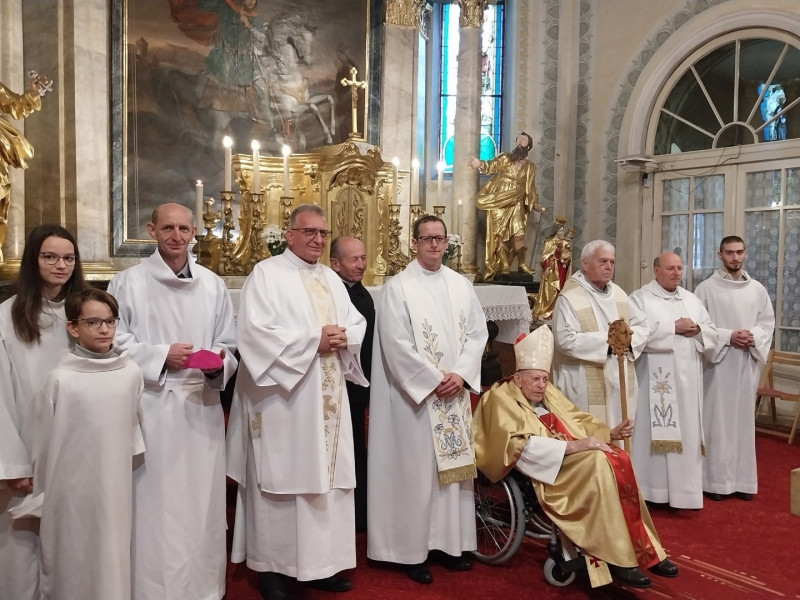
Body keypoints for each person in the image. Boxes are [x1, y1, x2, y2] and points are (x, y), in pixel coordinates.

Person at [227, 204, 367, 600]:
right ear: (289, 235)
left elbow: (356, 322)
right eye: (309, 232)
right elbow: (253, 334)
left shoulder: (331, 278)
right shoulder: (266, 274)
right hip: (284, 400)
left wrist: (345, 337)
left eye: (322, 233)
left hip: (327, 399)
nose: (317, 240)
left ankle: (321, 565)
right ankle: (272, 569)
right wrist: (313, 341)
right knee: (282, 480)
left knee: (328, 482)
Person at [473, 325, 678, 589]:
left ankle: (644, 549)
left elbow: (577, 418)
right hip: (546, 469)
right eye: (535, 379)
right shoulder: (499, 398)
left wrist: (609, 432)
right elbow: (516, 447)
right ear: (518, 378)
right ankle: (617, 559)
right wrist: (574, 447)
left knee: (618, 457)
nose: (541, 385)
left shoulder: (548, 393)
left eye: (545, 379)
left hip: (571, 458)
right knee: (600, 462)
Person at [107, 202, 237, 600]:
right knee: (156, 504)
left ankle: (203, 588)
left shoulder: (213, 285)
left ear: (194, 232)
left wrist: (217, 367)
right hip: (152, 406)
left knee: (200, 503)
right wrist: (162, 356)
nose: (176, 236)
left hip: (200, 406)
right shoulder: (127, 283)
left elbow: (228, 342)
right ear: (152, 231)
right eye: (167, 228)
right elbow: (113, 341)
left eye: (183, 228)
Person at [367, 215, 488, 584]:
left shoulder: (461, 285)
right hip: (415, 401)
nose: (434, 244)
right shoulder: (398, 288)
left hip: (453, 393)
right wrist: (433, 381)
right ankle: (410, 550)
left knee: (450, 475)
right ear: (415, 243)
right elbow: (395, 343)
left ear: (447, 242)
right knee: (415, 474)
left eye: (440, 238)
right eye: (427, 238)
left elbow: (477, 333)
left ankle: (449, 545)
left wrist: (461, 374)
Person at [21, 288, 144, 600]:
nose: (104, 329)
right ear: (73, 327)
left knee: (112, 556)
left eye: (110, 321)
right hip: (70, 491)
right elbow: (41, 441)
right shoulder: (60, 379)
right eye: (93, 322)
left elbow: (132, 429)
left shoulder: (130, 372)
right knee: (73, 558)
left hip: (114, 485)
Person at [0, 224, 87, 600]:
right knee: (21, 555)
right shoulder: (7, 317)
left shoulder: (85, 315)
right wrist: (13, 464)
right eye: (49, 256)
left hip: (76, 447)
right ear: (32, 260)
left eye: (68, 258)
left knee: (73, 550)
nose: (60, 265)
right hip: (27, 448)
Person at [629, 253, 717, 509]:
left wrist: (698, 330)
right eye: (670, 268)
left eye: (679, 268)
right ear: (656, 270)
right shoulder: (640, 299)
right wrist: (672, 328)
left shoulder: (691, 299)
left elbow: (711, 331)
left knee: (687, 434)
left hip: (689, 384)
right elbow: (634, 334)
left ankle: (685, 493)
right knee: (651, 433)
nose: (676, 272)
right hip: (654, 382)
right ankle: (652, 491)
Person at [694, 236, 774, 501]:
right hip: (717, 365)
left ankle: (742, 482)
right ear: (720, 255)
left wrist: (753, 336)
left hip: (745, 363)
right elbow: (699, 327)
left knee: (742, 424)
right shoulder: (705, 289)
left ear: (746, 254)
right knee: (717, 423)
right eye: (729, 253)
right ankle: (715, 483)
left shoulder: (757, 290)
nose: (735, 257)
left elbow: (767, 324)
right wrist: (728, 336)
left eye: (739, 252)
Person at [551, 239, 648, 427]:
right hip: (584, 382)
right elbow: (564, 340)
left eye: (612, 262)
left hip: (618, 377)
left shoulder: (618, 293)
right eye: (603, 261)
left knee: (620, 431)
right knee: (593, 434)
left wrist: (626, 341)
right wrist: (612, 343)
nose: (609, 266)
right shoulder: (569, 297)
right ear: (585, 264)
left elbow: (642, 325)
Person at [330, 236, 374, 533]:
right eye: (354, 259)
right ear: (335, 263)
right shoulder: (331, 293)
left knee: (356, 446)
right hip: (333, 385)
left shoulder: (363, 294)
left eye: (363, 258)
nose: (361, 265)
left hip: (358, 387)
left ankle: (358, 511)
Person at [468, 131, 545, 280]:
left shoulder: (531, 167)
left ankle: (522, 264)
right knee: (500, 236)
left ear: (528, 146)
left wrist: (535, 205)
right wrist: (480, 163)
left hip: (518, 202)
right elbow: (491, 166)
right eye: (519, 139)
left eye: (524, 140)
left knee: (519, 236)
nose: (520, 141)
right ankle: (504, 265)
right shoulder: (505, 158)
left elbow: (531, 188)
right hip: (500, 200)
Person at [533, 217, 572, 321]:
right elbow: (544, 256)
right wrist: (547, 266)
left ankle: (557, 311)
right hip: (551, 269)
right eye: (560, 231)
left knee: (560, 289)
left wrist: (566, 260)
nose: (561, 233)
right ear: (556, 231)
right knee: (551, 290)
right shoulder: (549, 242)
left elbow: (567, 255)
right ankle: (546, 311)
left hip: (561, 268)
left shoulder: (564, 242)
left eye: (562, 231)